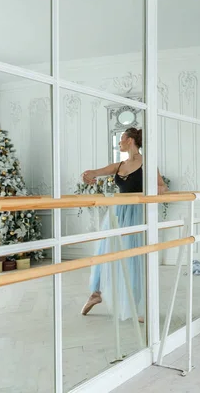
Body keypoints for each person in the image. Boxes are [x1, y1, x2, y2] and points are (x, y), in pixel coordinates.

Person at [80, 127, 168, 322]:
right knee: (106, 251)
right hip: (118, 214)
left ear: (130, 140)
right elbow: (96, 171)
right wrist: (87, 174)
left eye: (121, 139)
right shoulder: (119, 165)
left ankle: (136, 305)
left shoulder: (148, 163)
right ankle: (96, 292)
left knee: (133, 259)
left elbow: (163, 185)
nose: (119, 142)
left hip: (137, 214)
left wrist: (158, 189)